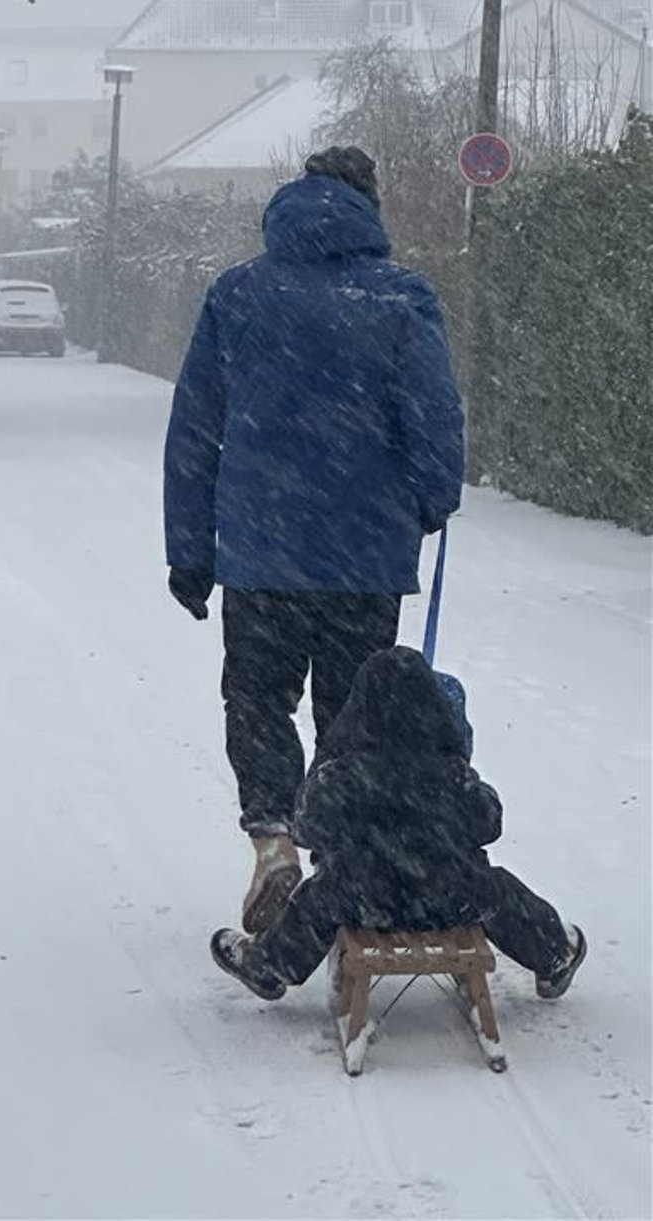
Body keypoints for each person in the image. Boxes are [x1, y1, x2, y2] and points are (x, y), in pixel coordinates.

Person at [163, 145, 464, 936]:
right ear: (372, 203)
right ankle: (343, 858)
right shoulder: (400, 297)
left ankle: (273, 842)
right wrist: (435, 495)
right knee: (354, 713)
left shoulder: (238, 293)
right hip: (366, 553)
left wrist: (189, 546)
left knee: (258, 698)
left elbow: (196, 428)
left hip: (263, 550)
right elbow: (434, 412)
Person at [209, 645, 587, 1004]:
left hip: (361, 900)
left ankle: (270, 965)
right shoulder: (451, 774)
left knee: (317, 899)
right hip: (449, 899)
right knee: (498, 890)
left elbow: (307, 828)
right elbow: (490, 822)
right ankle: (554, 951)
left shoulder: (344, 775)